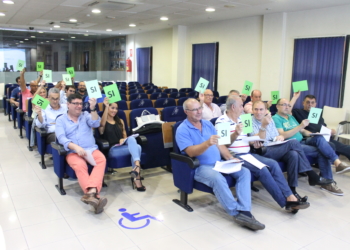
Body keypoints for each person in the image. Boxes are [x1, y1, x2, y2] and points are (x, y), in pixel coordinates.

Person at [176, 98, 265, 230]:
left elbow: (220, 144)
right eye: (194, 110)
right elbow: (190, 153)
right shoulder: (182, 129)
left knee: (244, 172)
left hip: (219, 163)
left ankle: (245, 210)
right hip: (201, 167)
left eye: (200, 108)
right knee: (218, 178)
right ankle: (236, 213)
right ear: (186, 112)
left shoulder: (207, 124)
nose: (199, 112)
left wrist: (229, 157)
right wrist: (207, 143)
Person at [216, 95, 309, 213]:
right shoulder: (222, 121)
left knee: (273, 164)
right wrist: (235, 134)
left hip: (249, 152)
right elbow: (224, 145)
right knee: (263, 170)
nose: (243, 108)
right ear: (233, 107)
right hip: (235, 156)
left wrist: (256, 139)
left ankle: (290, 196)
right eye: (241, 105)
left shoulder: (244, 119)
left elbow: (254, 138)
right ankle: (285, 202)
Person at [252, 100, 332, 199]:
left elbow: (275, 135)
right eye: (256, 109)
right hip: (262, 151)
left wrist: (279, 137)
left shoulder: (270, 120)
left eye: (261, 109)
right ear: (252, 110)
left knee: (293, 154)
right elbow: (257, 140)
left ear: (265, 111)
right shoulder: (249, 121)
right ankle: (311, 174)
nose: (258, 112)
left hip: (275, 146)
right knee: (293, 142)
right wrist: (263, 127)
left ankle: (293, 190)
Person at [272, 98, 348, 196]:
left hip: (304, 140)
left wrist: (313, 134)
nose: (287, 107)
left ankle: (337, 163)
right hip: (293, 145)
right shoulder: (275, 118)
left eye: (288, 105)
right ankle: (329, 181)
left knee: (319, 139)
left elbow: (302, 131)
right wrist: (300, 126)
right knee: (322, 151)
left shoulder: (290, 117)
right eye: (284, 105)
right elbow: (282, 135)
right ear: (277, 106)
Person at [55, 94, 107, 214]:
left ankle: (91, 193)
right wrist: (76, 147)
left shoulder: (86, 115)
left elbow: (96, 124)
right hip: (73, 151)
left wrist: (93, 109)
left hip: (91, 149)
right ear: (68, 104)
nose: (79, 106)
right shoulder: (61, 120)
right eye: (76, 104)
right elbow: (62, 138)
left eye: (81, 104)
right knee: (80, 165)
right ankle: (95, 196)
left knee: (101, 159)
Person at [292, 94, 350, 170]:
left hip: (324, 136)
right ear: (303, 103)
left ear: (315, 104)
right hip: (311, 138)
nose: (310, 104)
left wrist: (331, 130)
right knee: (331, 145)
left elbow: (323, 126)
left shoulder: (317, 114)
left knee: (346, 147)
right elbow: (288, 110)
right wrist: (295, 97)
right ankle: (336, 164)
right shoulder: (297, 112)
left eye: (312, 102)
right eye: (308, 102)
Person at [98, 97, 145, 192]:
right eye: (112, 107)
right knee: (138, 147)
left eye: (116, 108)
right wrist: (106, 107)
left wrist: (123, 139)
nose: (114, 110)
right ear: (107, 108)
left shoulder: (121, 121)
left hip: (122, 146)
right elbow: (101, 129)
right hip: (112, 149)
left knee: (132, 139)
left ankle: (136, 169)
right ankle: (137, 176)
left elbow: (125, 136)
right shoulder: (102, 121)